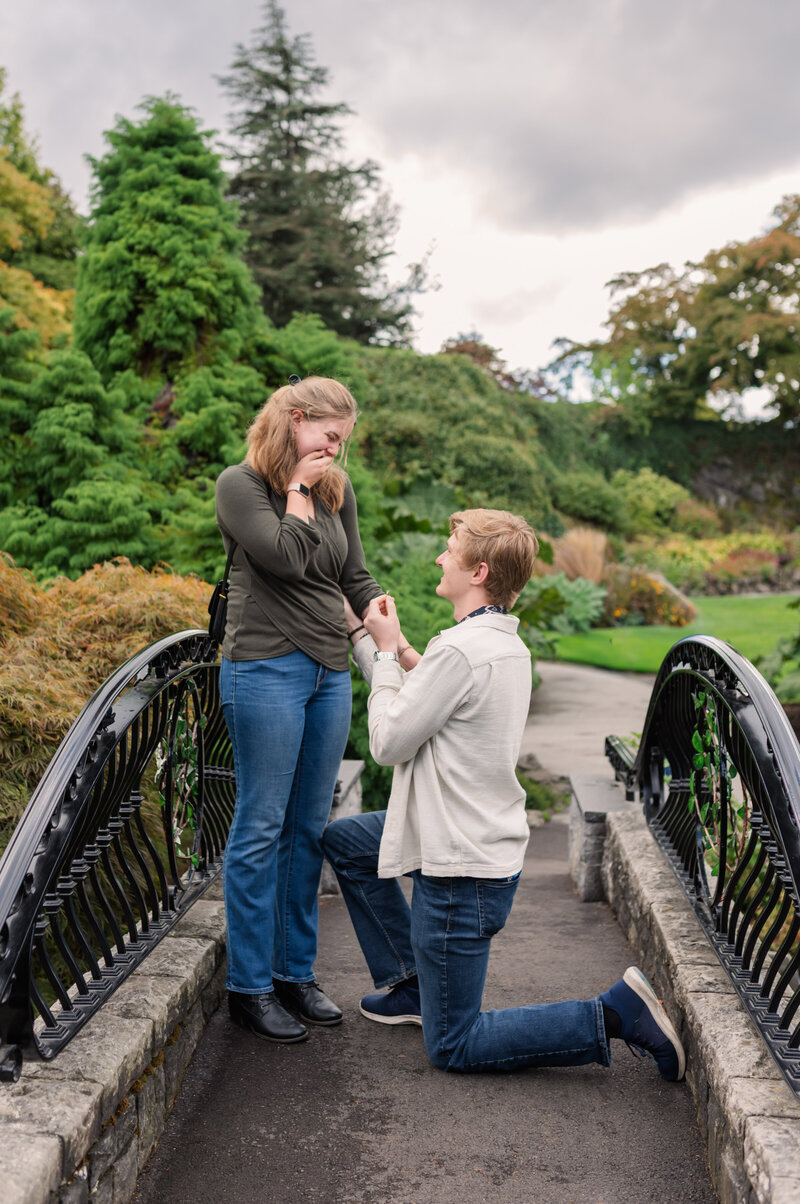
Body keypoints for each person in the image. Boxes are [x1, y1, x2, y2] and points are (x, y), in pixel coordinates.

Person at [323, 508, 686, 1079]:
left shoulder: (463, 651)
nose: (439, 558)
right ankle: (413, 985)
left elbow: (389, 740)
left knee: (455, 1045)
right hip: (454, 834)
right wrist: (362, 635)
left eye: (450, 551)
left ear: (479, 570)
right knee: (347, 842)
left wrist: (389, 653)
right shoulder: (496, 645)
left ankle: (615, 1015)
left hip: (461, 872)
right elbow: (429, 687)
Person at [215, 376, 383, 1044]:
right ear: (294, 419)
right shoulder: (242, 485)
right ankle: (249, 987)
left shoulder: (337, 491)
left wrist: (390, 637)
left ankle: (294, 972)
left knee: (308, 827)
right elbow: (284, 557)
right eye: (328, 436)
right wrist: (297, 490)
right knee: (260, 824)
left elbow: (354, 576)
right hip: (263, 667)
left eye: (342, 441)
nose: (336, 452)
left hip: (327, 671)